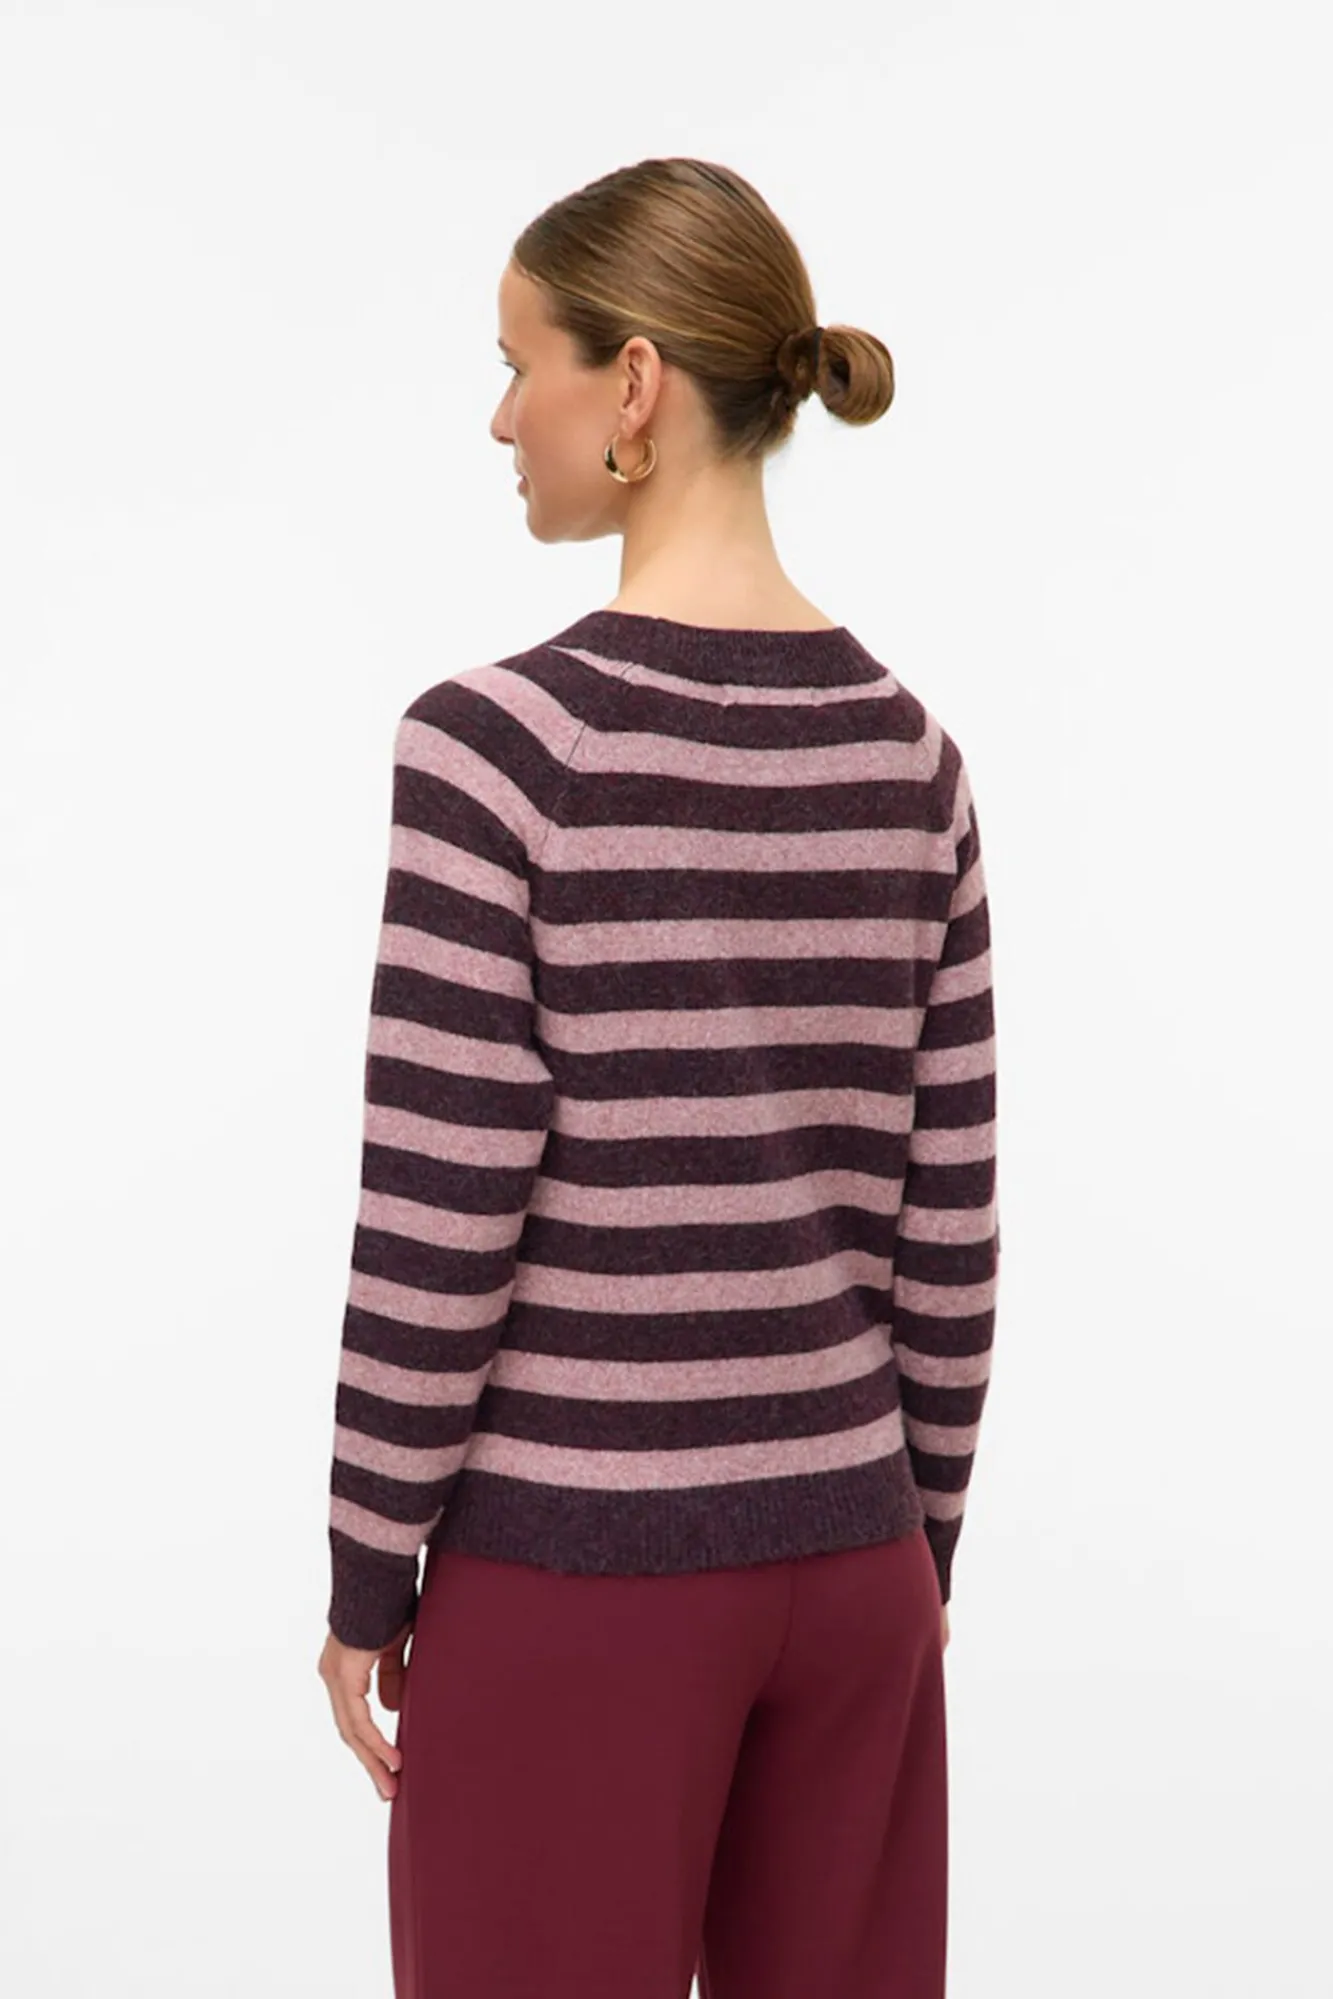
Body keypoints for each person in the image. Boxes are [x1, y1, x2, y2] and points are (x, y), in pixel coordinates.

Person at [317, 155, 1000, 1999]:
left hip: (581, 1569)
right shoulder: (911, 757)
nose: (498, 417)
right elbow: (948, 1227)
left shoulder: (498, 750)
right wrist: (913, 1545)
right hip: (860, 1572)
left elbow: (442, 1211)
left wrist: (368, 1571)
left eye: (517, 363)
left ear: (631, 383)